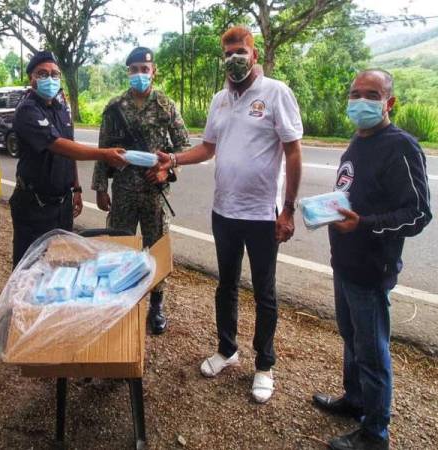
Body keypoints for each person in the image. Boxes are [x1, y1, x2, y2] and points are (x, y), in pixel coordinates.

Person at [156, 26, 303, 403]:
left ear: (254, 54)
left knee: (265, 292)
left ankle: (264, 365)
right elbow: (207, 148)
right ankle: (227, 349)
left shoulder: (275, 93)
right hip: (224, 212)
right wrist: (172, 159)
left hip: (261, 215)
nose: (233, 58)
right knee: (226, 285)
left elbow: (293, 152)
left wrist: (287, 210)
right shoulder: (220, 99)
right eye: (228, 53)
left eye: (240, 51)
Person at [312, 69, 432, 450]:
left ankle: (375, 433)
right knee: (351, 337)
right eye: (354, 93)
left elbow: (417, 214)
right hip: (344, 261)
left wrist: (362, 224)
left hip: (371, 267)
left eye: (371, 94)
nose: (359, 101)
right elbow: (351, 191)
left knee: (372, 351)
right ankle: (355, 401)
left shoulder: (401, 146)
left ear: (389, 102)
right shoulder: (357, 141)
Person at [91, 47, 190, 334]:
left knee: (156, 248)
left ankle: (156, 306)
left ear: (153, 71)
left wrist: (167, 170)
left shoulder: (165, 105)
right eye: (134, 69)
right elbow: (102, 149)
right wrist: (100, 187)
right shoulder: (114, 107)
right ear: (128, 72)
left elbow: (183, 146)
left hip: (154, 193)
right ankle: (119, 301)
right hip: (122, 190)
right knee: (120, 245)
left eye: (144, 70)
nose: (139, 75)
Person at [10, 51, 126, 267]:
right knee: (29, 267)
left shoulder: (62, 109)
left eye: (55, 74)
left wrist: (77, 189)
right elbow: (58, 145)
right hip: (34, 204)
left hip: (62, 204)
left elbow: (69, 151)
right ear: (31, 78)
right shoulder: (27, 110)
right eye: (42, 74)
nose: (50, 79)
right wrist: (104, 153)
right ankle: (19, 302)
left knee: (59, 261)